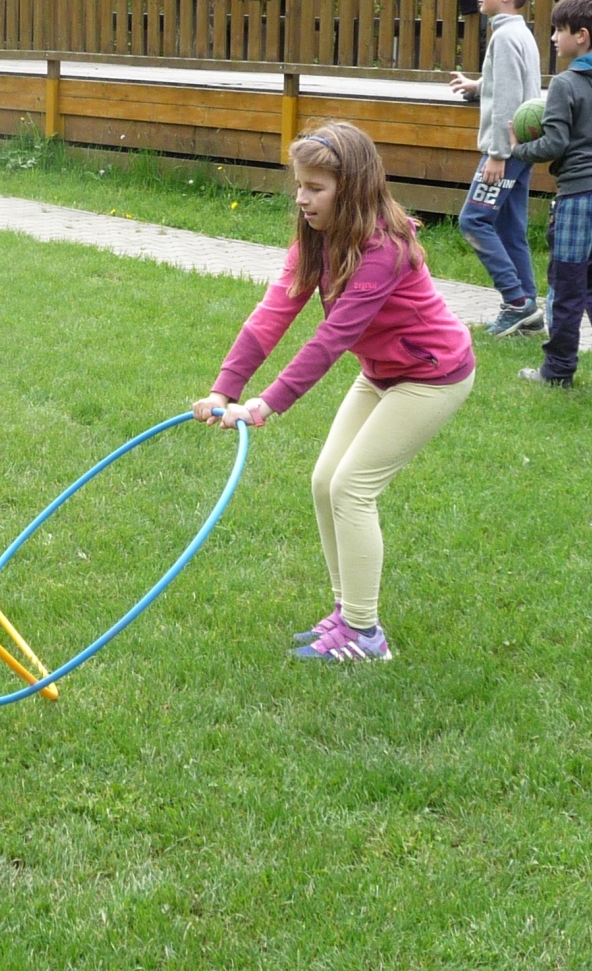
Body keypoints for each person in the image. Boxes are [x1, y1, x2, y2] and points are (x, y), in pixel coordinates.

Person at [193, 121, 475, 664]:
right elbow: (272, 314)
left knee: (352, 488)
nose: (302, 199)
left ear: (353, 190)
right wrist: (224, 389)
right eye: (299, 186)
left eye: (316, 188)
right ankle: (347, 614)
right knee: (325, 481)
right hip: (381, 371)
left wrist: (265, 404)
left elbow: (331, 339)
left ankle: (365, 635)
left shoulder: (384, 250)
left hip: (432, 375)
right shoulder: (317, 239)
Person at [510, 0, 592, 389]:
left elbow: (554, 144)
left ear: (581, 36)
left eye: (559, 30)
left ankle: (558, 369)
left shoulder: (566, 84)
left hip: (578, 196)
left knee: (567, 282)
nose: (553, 38)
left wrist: (519, 148)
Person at [449, 0, 543, 336]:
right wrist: (477, 86)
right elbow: (510, 83)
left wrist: (496, 154)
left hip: (506, 151)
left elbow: (507, 99)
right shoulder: (519, 32)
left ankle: (515, 301)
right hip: (523, 148)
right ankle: (529, 310)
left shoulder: (503, 37)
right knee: (509, 227)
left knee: (473, 220)